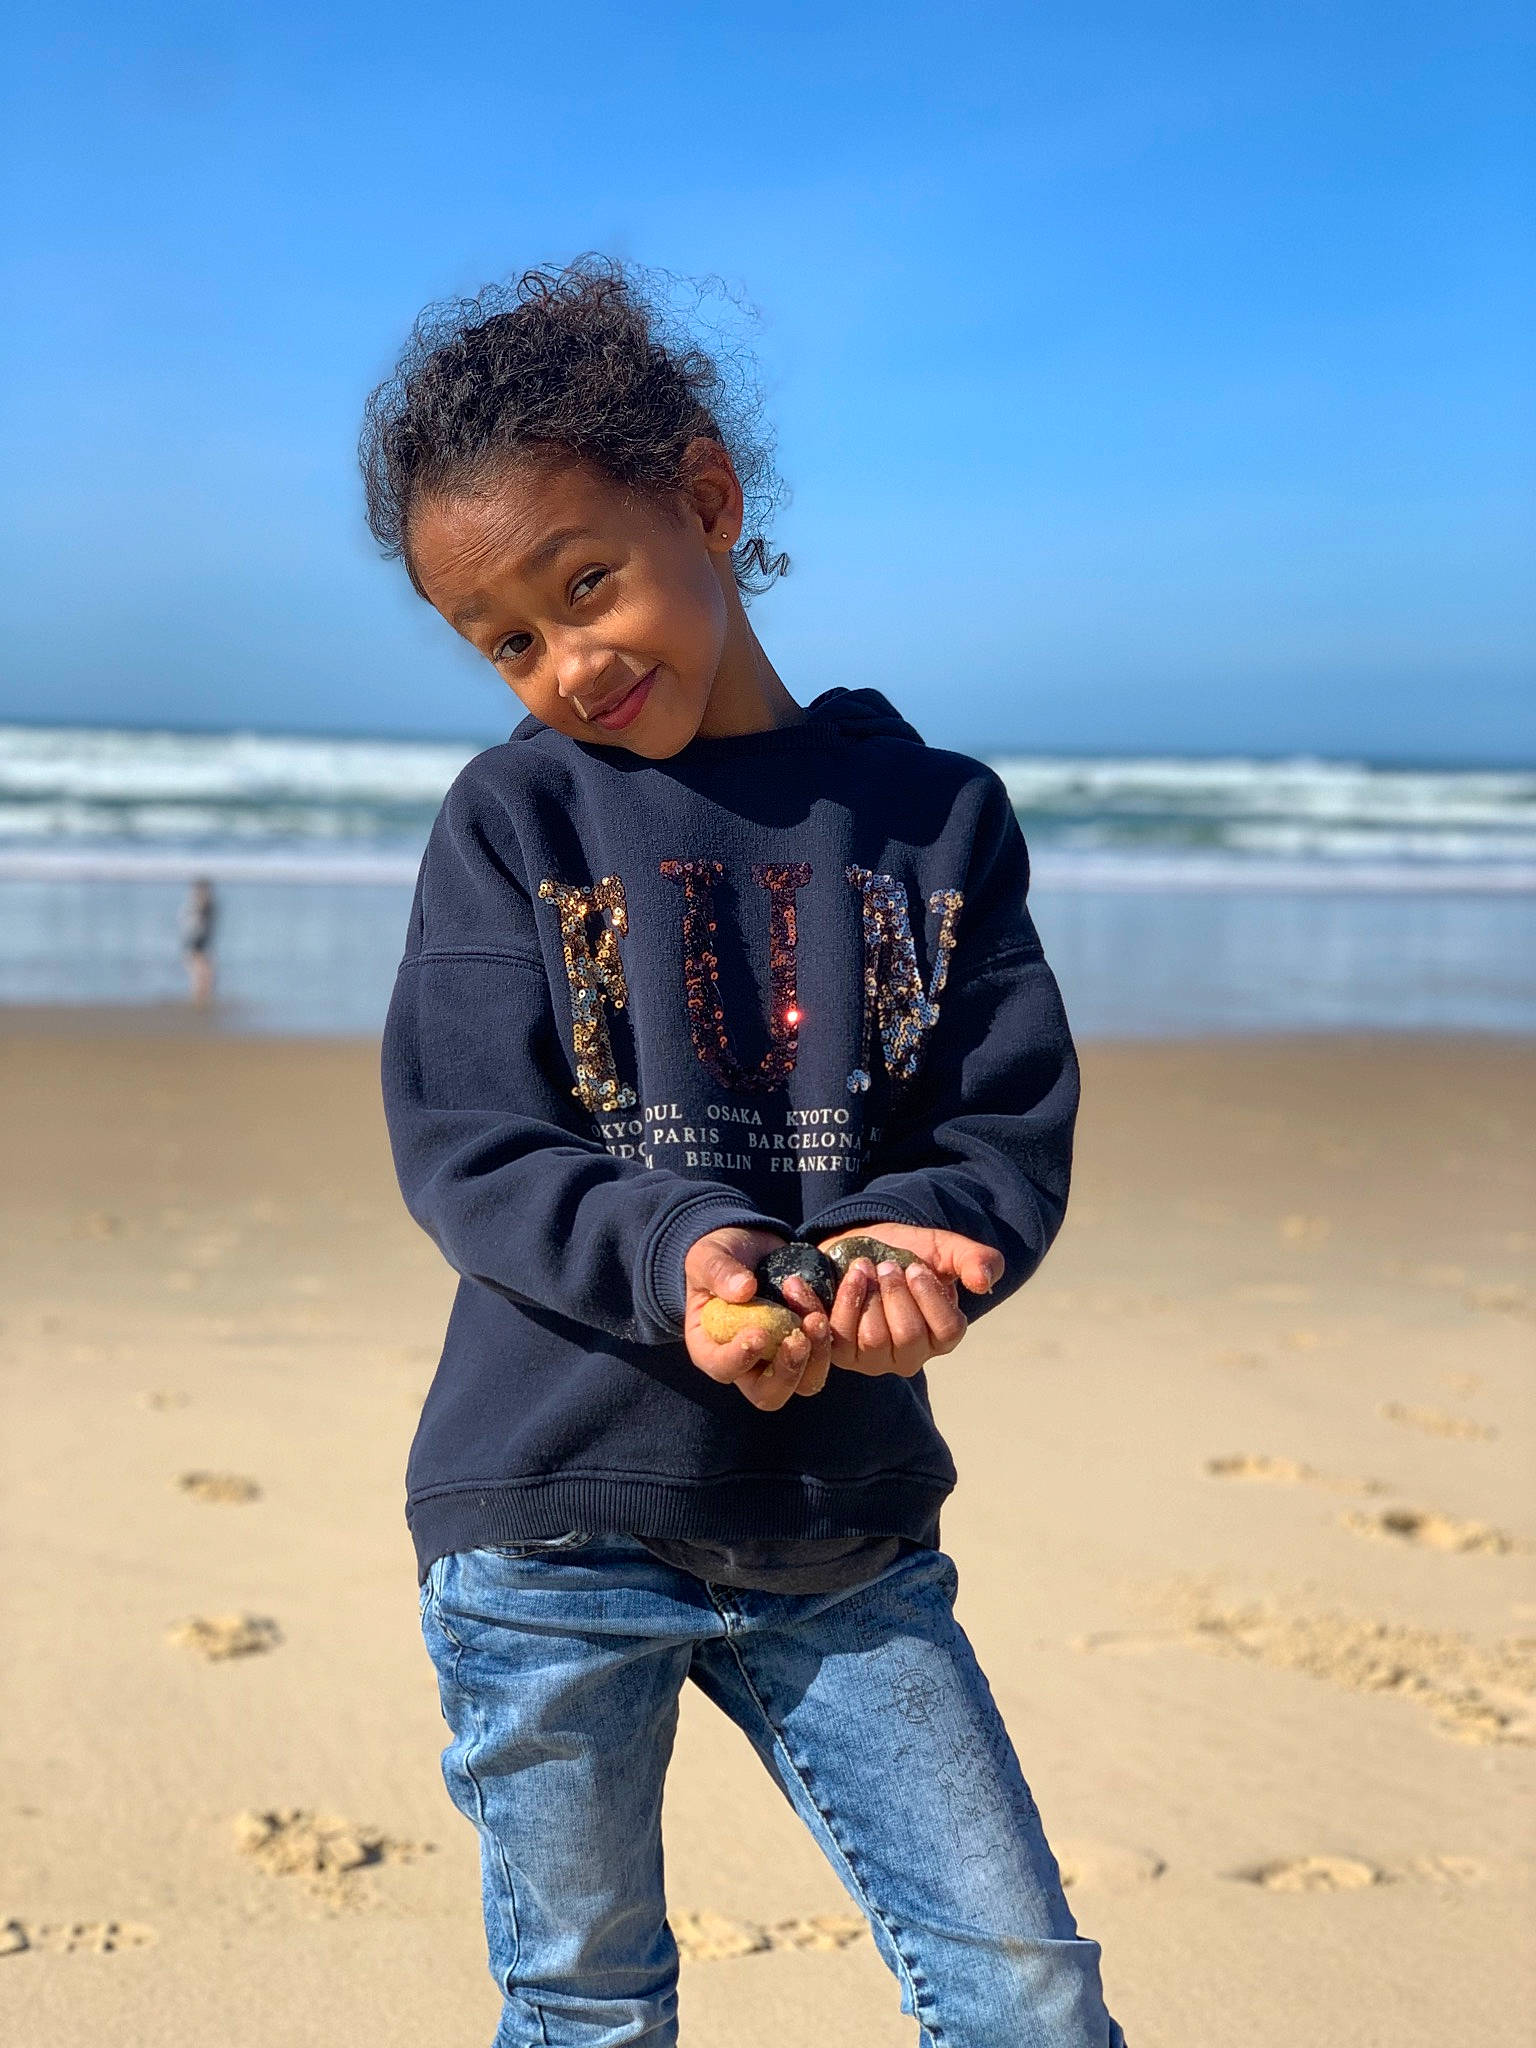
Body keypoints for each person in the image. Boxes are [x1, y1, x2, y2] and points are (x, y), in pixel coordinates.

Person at [366, 259, 1123, 2048]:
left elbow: (995, 1122)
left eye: (586, 584)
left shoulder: (932, 817)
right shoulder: (516, 818)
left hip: (842, 1518)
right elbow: (468, 1136)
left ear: (703, 501)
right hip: (545, 1515)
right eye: (509, 640)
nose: (566, 662)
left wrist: (908, 1256)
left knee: (1026, 1994)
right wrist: (684, 1254)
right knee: (585, 2007)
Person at [179, 876, 216, 1007]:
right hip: (195, 937)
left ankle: (201, 995)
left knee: (202, 967)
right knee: (198, 967)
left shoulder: (206, 904)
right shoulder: (197, 903)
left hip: (199, 937)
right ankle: (199, 994)